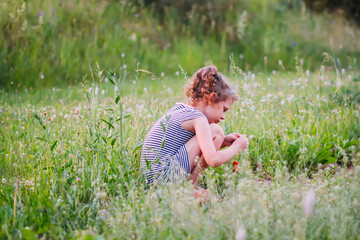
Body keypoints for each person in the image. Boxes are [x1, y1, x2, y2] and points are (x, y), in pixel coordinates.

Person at [141, 66, 249, 187]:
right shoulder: (199, 118)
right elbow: (212, 160)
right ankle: (191, 188)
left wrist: (223, 142)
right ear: (212, 98)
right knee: (216, 132)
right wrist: (236, 147)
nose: (223, 116)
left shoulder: (182, 110)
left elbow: (184, 146)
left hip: (152, 179)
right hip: (164, 177)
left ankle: (189, 188)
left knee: (216, 134)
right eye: (224, 109)